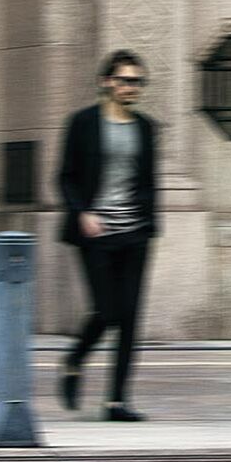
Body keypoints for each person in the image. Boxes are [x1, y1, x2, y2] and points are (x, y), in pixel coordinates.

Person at [56, 51, 159, 421]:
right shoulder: (82, 123)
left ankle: (116, 400)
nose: (132, 88)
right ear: (107, 82)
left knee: (130, 318)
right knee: (106, 310)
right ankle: (74, 360)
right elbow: (65, 176)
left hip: (134, 234)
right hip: (96, 232)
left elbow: (147, 182)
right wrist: (82, 213)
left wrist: (147, 224)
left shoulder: (146, 127)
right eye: (125, 80)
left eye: (137, 82)